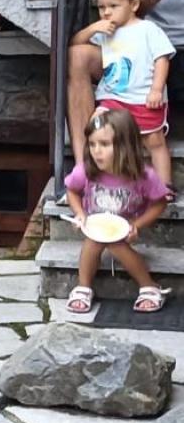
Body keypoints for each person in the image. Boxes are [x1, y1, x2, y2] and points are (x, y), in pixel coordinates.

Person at [63, 108, 172, 314]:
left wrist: (136, 225)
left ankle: (148, 286)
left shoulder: (144, 176)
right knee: (94, 240)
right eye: (92, 144)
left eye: (104, 144)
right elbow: (72, 190)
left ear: (125, 146)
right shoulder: (86, 169)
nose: (96, 151)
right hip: (95, 223)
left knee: (115, 242)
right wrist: (80, 214)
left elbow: (160, 202)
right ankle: (84, 286)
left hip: (126, 223)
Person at [71, 0, 174, 186]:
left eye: (113, 6)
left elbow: (162, 59)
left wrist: (157, 89)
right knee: (97, 126)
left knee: (154, 142)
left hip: (143, 97)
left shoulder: (147, 29)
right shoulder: (106, 31)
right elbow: (74, 45)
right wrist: (92, 28)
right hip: (113, 98)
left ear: (134, 4)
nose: (106, 12)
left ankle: (165, 186)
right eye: (101, 7)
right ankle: (99, 179)